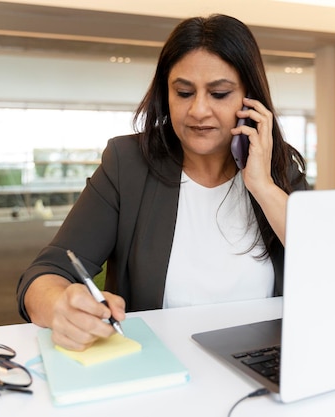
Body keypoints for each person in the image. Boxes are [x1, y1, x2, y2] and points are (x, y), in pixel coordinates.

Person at [16, 14, 309, 351]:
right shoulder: (127, 163)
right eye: (184, 92)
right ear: (165, 95)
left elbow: (330, 266)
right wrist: (59, 307)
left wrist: (262, 186)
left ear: (250, 100)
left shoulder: (278, 168)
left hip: (262, 363)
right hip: (164, 368)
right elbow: (44, 274)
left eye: (219, 93)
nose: (199, 110)